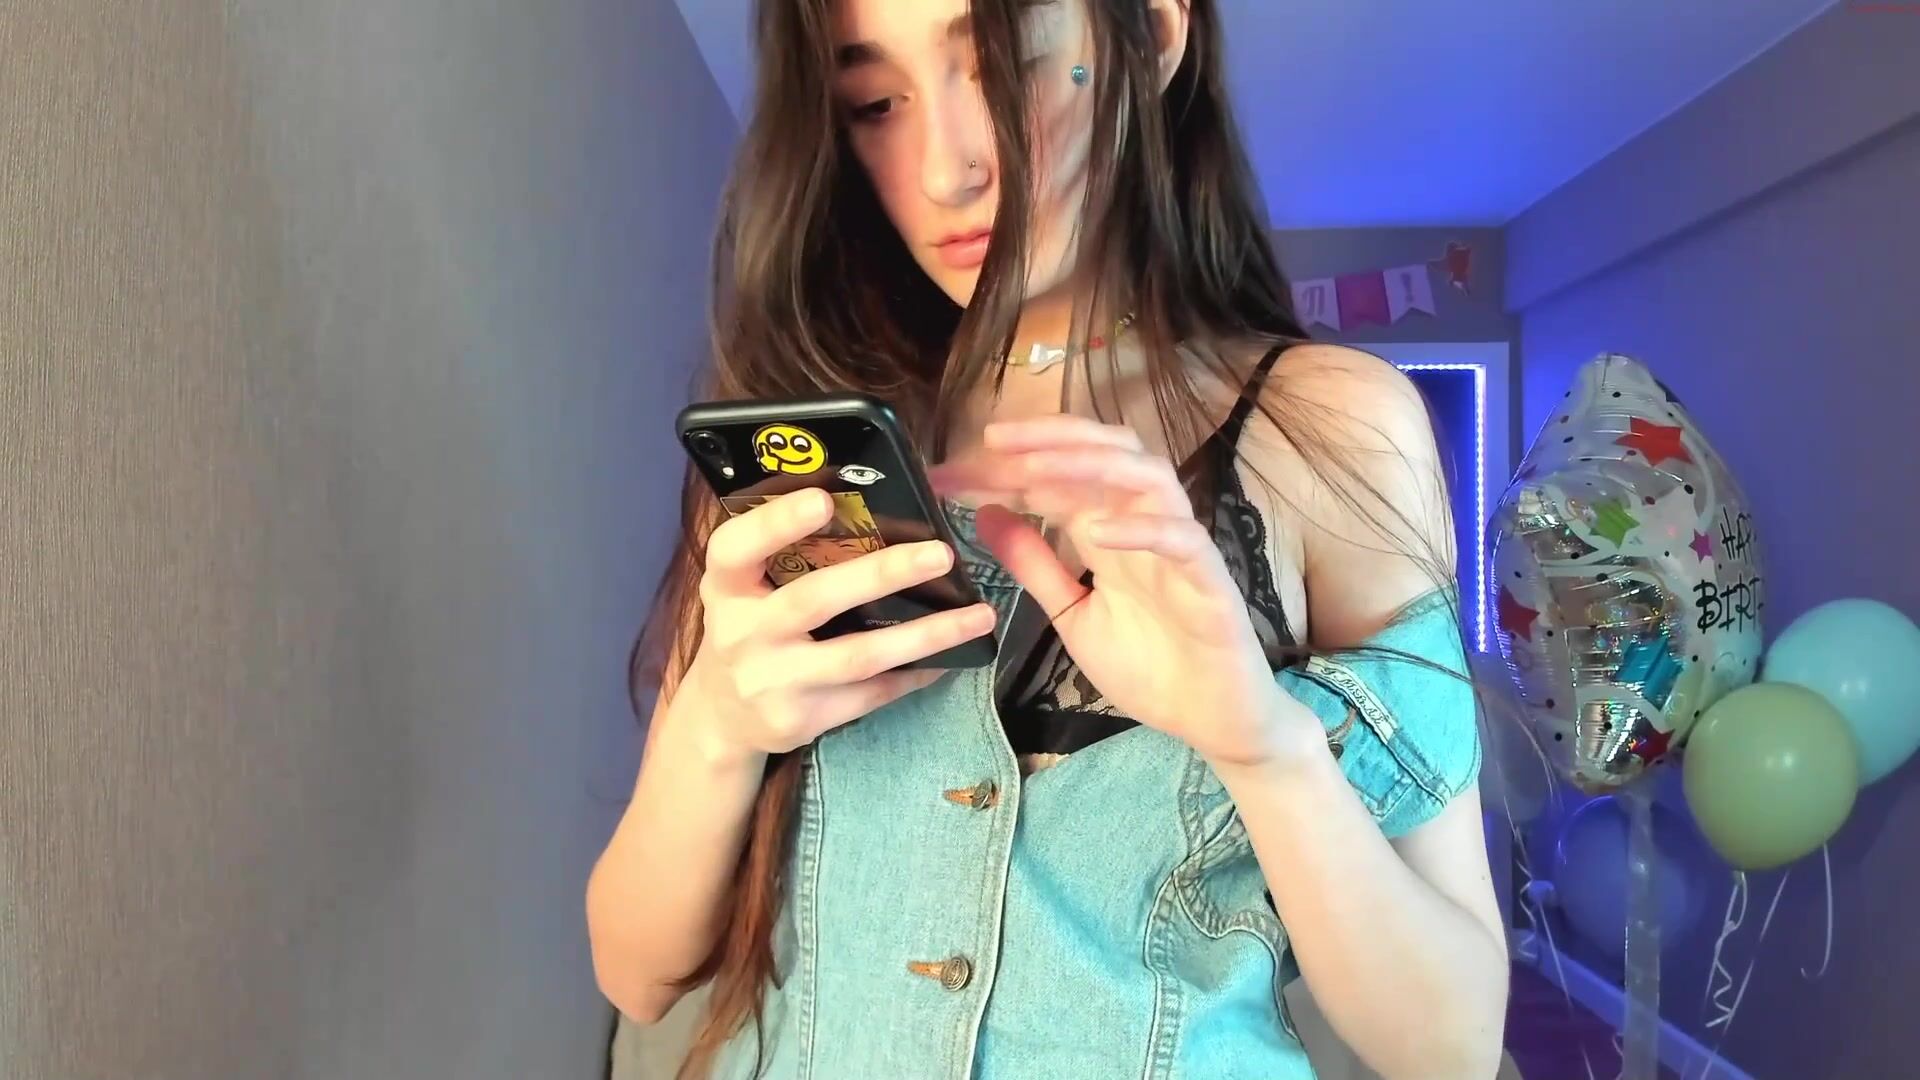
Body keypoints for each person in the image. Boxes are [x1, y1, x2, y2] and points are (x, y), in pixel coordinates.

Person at [586, 0, 1508, 1076]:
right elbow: (636, 972)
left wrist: (1266, 747)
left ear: (1153, 34)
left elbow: (1451, 1047)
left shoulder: (1326, 427)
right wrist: (717, 727)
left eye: (1002, 67)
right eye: (874, 103)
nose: (946, 171)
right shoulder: (809, 454)